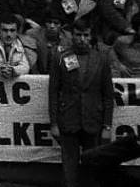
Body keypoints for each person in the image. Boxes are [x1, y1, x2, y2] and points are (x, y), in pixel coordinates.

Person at [49, 18, 114, 187]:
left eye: (86, 35)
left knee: (93, 167)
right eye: (78, 35)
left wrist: (107, 126)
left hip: (93, 120)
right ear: (72, 35)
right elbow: (53, 92)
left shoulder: (101, 59)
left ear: (91, 36)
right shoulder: (60, 57)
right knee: (69, 168)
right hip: (68, 119)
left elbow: (108, 96)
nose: (82, 39)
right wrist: (54, 123)